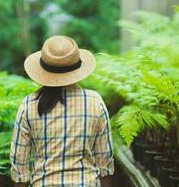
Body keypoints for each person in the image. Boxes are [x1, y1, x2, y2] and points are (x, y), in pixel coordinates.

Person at [10, 36, 114, 187]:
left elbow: (19, 165)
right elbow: (105, 164)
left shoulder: (28, 105)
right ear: (78, 67)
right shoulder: (95, 101)